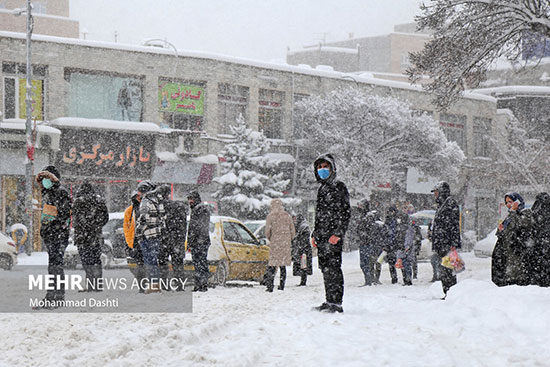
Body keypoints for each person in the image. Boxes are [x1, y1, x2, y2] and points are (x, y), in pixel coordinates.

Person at [311, 153, 351, 313]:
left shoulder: (338, 186)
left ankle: (337, 303)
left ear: (332, 168)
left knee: (334, 268)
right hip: (322, 237)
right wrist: (315, 234)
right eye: (319, 167)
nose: (322, 170)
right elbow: (319, 215)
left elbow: (345, 212)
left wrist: (338, 233)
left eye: (325, 166)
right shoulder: (322, 189)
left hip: (333, 236)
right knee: (325, 268)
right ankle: (329, 300)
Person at [35, 166, 72, 308]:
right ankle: (52, 296)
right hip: (51, 236)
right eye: (43, 179)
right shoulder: (48, 193)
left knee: (56, 267)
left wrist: (52, 226)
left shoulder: (60, 193)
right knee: (53, 267)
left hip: (58, 235)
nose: (44, 181)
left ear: (52, 179)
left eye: (47, 178)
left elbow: (63, 214)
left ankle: (57, 297)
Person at [72, 181, 109, 291]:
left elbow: (76, 219)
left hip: (82, 237)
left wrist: (84, 228)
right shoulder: (99, 201)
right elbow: (105, 218)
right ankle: (97, 285)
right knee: (96, 260)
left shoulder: (78, 201)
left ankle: (90, 285)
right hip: (95, 236)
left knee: (86, 261)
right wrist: (96, 226)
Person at [492, 192, 532, 286]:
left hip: (517, 251)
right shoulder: (509, 215)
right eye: (506, 202)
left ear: (517, 201)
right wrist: (500, 230)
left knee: (516, 276)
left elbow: (520, 225)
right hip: (506, 251)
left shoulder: (525, 213)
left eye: (510, 201)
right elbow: (504, 233)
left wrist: (513, 211)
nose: (508, 204)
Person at [431, 181, 461, 297]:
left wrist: (453, 243)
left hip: (447, 244)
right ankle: (447, 292)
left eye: (437, 192)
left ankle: (450, 293)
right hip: (442, 244)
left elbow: (453, 225)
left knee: (448, 271)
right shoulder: (442, 205)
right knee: (444, 270)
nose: (435, 195)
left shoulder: (449, 204)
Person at [136, 183, 168, 294]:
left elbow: (143, 219)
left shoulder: (145, 202)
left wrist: (139, 231)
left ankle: (152, 285)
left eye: (139, 191)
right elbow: (163, 217)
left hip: (147, 234)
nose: (138, 193)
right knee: (154, 260)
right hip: (156, 234)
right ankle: (156, 284)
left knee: (149, 261)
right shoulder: (159, 201)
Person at [123, 183, 154, 293]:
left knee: (149, 263)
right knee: (140, 265)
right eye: (137, 197)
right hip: (136, 242)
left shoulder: (148, 207)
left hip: (148, 239)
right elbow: (126, 228)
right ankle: (142, 286)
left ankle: (149, 285)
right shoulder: (129, 211)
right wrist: (129, 242)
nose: (139, 199)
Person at [265, 199, 295, 292]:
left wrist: (271, 238)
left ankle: (270, 286)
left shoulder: (270, 216)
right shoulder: (287, 216)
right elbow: (293, 231)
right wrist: (288, 239)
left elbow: (267, 232)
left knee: (272, 265)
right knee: (283, 265)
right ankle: (282, 285)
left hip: (275, 243)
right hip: (285, 244)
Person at [159, 198, 188, 291]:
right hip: (177, 241)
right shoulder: (180, 211)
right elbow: (184, 228)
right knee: (178, 264)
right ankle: (180, 285)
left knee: (163, 263)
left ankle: (164, 285)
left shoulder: (163, 208)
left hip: (165, 240)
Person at [187, 190, 211, 292]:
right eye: (189, 199)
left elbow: (200, 227)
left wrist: (197, 240)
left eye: (191, 199)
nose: (190, 201)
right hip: (198, 241)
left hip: (200, 242)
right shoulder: (197, 209)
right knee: (198, 263)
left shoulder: (200, 209)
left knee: (200, 263)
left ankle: (202, 284)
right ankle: (200, 284)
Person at [356, 199, 379, 286]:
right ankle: (368, 280)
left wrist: (364, 235)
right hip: (364, 242)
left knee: (365, 263)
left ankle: (368, 281)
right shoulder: (363, 216)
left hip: (367, 243)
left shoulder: (368, 216)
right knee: (364, 263)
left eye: (361, 205)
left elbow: (369, 230)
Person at [529, 192, 550, 287]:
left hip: (538, 243)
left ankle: (539, 283)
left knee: (538, 266)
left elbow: (533, 225)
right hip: (545, 242)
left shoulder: (537, 207)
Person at [383, 205, 404, 285]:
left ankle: (398, 278)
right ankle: (394, 278)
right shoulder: (390, 220)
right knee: (393, 262)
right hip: (392, 244)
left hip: (395, 244)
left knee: (398, 261)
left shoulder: (397, 220)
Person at [292, 213, 312, 286]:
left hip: (303, 249)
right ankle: (303, 280)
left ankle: (303, 281)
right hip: (303, 248)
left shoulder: (303, 227)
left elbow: (302, 238)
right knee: (303, 265)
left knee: (303, 265)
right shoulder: (303, 226)